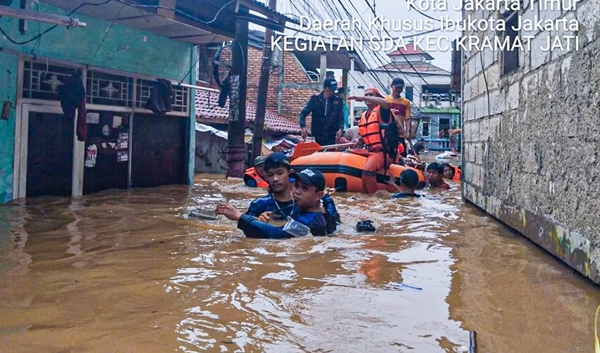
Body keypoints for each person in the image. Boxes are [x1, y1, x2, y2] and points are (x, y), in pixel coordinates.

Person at [215, 168, 336, 239]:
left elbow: (275, 234)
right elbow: (333, 212)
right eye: (297, 186)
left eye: (304, 189)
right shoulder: (324, 211)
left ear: (318, 195)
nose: (297, 192)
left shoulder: (306, 221)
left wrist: (238, 216)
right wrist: (326, 198)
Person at [244, 152, 340, 229]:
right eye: (270, 175)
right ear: (266, 177)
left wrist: (326, 197)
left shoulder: (303, 202)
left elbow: (335, 220)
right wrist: (257, 220)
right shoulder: (259, 204)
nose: (275, 179)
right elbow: (243, 226)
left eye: (280, 173)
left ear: (289, 173)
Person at [347, 88, 395, 195]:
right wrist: (358, 140)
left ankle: (372, 195)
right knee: (348, 153)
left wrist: (363, 97)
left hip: (383, 152)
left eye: (371, 95)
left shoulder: (382, 110)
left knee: (368, 170)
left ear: (377, 97)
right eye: (366, 95)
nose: (368, 97)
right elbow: (366, 137)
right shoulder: (364, 115)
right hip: (370, 151)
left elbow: (386, 103)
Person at [299, 78, 345, 145]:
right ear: (325, 88)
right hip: (317, 135)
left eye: (333, 90)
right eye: (330, 89)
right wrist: (303, 127)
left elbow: (341, 117)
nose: (332, 92)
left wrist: (340, 129)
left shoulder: (338, 101)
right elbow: (303, 113)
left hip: (331, 135)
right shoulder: (315, 100)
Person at [385, 78, 412, 158]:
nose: (398, 89)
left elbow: (408, 119)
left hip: (400, 134)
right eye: (396, 87)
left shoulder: (406, 102)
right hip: (387, 134)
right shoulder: (385, 100)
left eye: (400, 88)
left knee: (402, 154)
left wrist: (408, 132)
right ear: (392, 86)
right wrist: (390, 111)